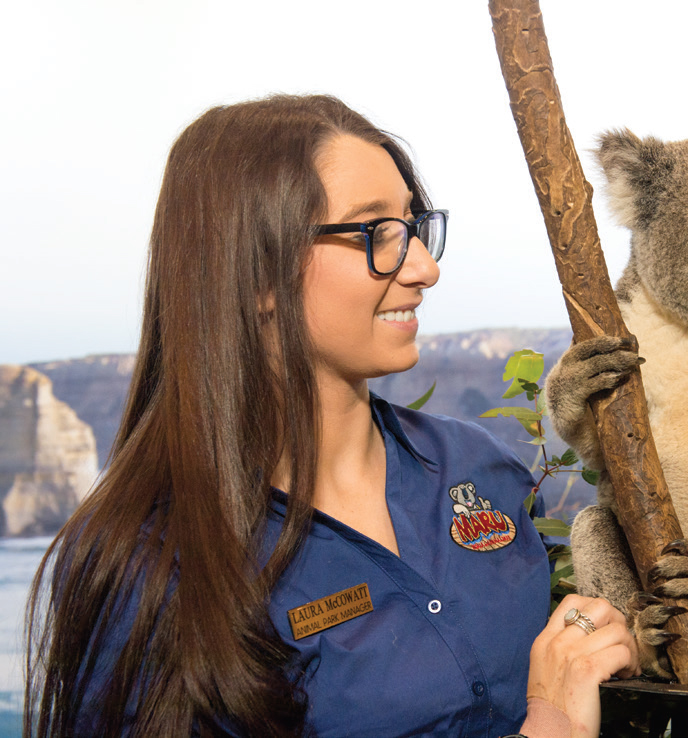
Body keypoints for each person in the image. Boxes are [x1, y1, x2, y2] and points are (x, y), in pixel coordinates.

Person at [24, 94, 638, 738]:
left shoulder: (479, 470)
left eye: (414, 225)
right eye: (376, 233)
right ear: (257, 270)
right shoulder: (149, 565)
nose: (425, 269)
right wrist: (555, 722)